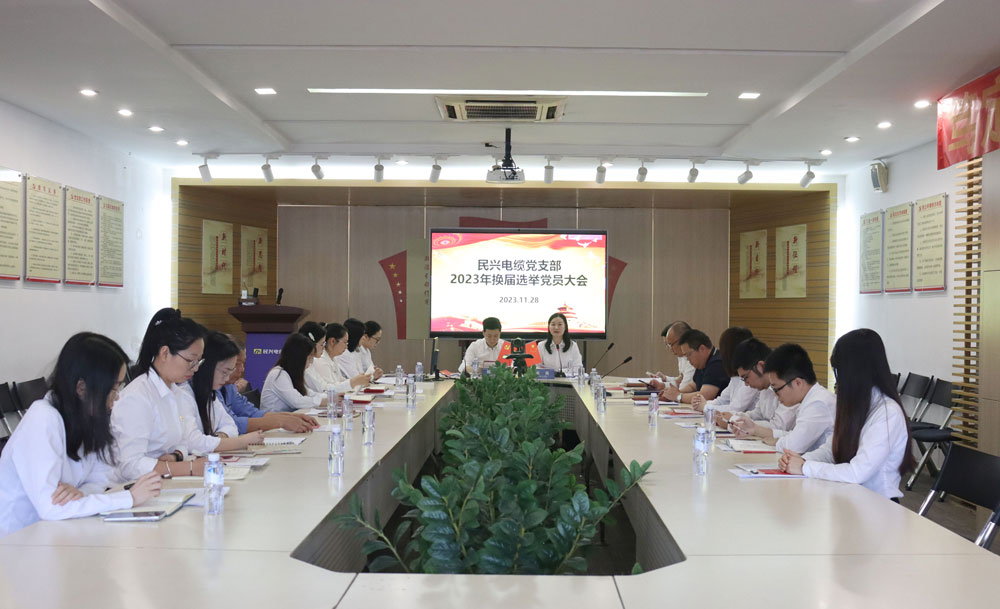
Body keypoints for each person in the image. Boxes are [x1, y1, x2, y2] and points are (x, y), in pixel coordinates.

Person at [0, 333, 162, 537]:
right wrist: (129, 498)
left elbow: (102, 477)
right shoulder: (44, 418)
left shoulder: (87, 416)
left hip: (56, 531)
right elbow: (50, 508)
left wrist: (81, 493)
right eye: (112, 389)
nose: (117, 397)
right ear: (81, 388)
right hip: (15, 540)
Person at [779, 329, 915, 500]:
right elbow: (831, 450)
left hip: (878, 504)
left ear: (854, 371)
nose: (838, 381)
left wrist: (805, 467)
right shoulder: (858, 404)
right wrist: (799, 460)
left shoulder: (888, 413)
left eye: (839, 371)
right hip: (849, 496)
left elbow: (857, 472)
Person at [112, 308, 220, 480]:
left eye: (198, 361)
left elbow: (183, 440)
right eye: (191, 361)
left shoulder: (177, 392)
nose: (196, 368)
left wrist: (176, 456)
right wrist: (189, 468)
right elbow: (130, 465)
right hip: (133, 486)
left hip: (163, 481)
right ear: (165, 353)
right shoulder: (137, 397)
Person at [733, 343, 835, 453]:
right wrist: (756, 430)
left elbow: (793, 445)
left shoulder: (818, 403)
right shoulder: (810, 399)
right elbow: (793, 435)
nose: (775, 395)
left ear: (797, 383)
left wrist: (777, 441)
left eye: (776, 388)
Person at [181, 331, 265, 445]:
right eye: (225, 372)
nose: (227, 378)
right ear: (208, 366)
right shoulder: (183, 392)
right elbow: (194, 442)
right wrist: (242, 441)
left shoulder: (209, 393)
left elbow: (231, 425)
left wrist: (220, 436)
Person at [723, 338, 796, 433]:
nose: (746, 384)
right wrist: (735, 416)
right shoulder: (764, 387)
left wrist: (736, 421)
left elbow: (778, 427)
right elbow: (758, 414)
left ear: (761, 366)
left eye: (746, 377)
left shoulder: (787, 384)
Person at [691, 326, 758, 414]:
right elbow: (722, 400)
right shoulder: (735, 376)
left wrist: (705, 406)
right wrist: (702, 403)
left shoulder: (752, 375)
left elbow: (735, 408)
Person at [261, 333, 329, 412]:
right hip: (274, 419)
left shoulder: (292, 374)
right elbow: (297, 402)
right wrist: (324, 401)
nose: (308, 365)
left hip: (287, 417)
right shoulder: (278, 375)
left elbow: (309, 393)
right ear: (298, 359)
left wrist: (331, 397)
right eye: (309, 359)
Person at [661, 329, 728, 406]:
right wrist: (672, 394)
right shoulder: (703, 363)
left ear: (702, 349)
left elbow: (705, 396)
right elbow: (692, 386)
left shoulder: (717, 363)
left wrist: (678, 396)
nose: (688, 359)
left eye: (689, 355)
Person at [305, 322, 371, 394]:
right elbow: (326, 389)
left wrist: (356, 382)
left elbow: (339, 380)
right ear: (332, 341)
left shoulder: (333, 358)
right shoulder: (319, 360)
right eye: (345, 342)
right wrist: (353, 382)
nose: (346, 347)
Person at [650, 321, 695, 393]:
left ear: (682, 340)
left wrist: (664, 386)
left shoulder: (693, 358)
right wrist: (664, 381)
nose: (670, 349)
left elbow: (682, 389)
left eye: (671, 344)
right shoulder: (682, 356)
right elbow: (680, 380)